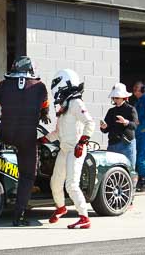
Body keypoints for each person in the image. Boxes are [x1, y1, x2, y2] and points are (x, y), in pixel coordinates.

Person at [0, 56, 50, 226]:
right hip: (27, 138)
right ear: (32, 69)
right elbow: (45, 108)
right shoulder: (40, 87)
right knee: (27, 175)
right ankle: (18, 216)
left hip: (6, 135)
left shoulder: (3, 86)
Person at [40, 69, 95, 229]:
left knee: (71, 184)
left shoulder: (76, 103)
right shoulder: (65, 105)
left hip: (75, 149)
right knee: (55, 182)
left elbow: (89, 122)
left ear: (65, 83)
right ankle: (61, 207)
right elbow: (58, 132)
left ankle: (84, 217)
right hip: (65, 149)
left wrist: (82, 142)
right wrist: (43, 139)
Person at [100, 83, 138, 168]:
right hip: (113, 144)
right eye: (113, 98)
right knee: (111, 169)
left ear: (123, 97)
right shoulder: (111, 111)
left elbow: (135, 125)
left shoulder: (130, 109)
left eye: (117, 98)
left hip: (126, 144)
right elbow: (106, 129)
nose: (114, 100)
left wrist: (126, 122)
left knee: (129, 169)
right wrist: (104, 127)